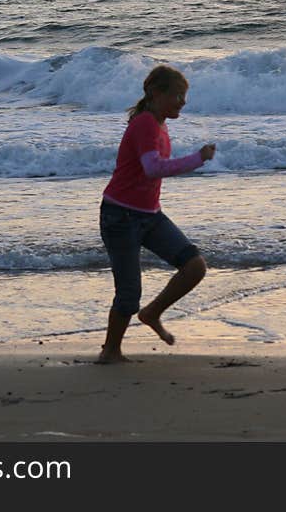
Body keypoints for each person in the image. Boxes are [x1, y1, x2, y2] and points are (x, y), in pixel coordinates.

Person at [97, 64, 216, 364]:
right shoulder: (146, 124)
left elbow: (151, 169)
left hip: (149, 215)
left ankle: (152, 313)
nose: (183, 102)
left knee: (194, 266)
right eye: (177, 95)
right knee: (128, 294)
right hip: (120, 216)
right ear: (155, 93)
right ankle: (110, 351)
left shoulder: (159, 123)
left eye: (184, 96)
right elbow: (153, 169)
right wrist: (197, 159)